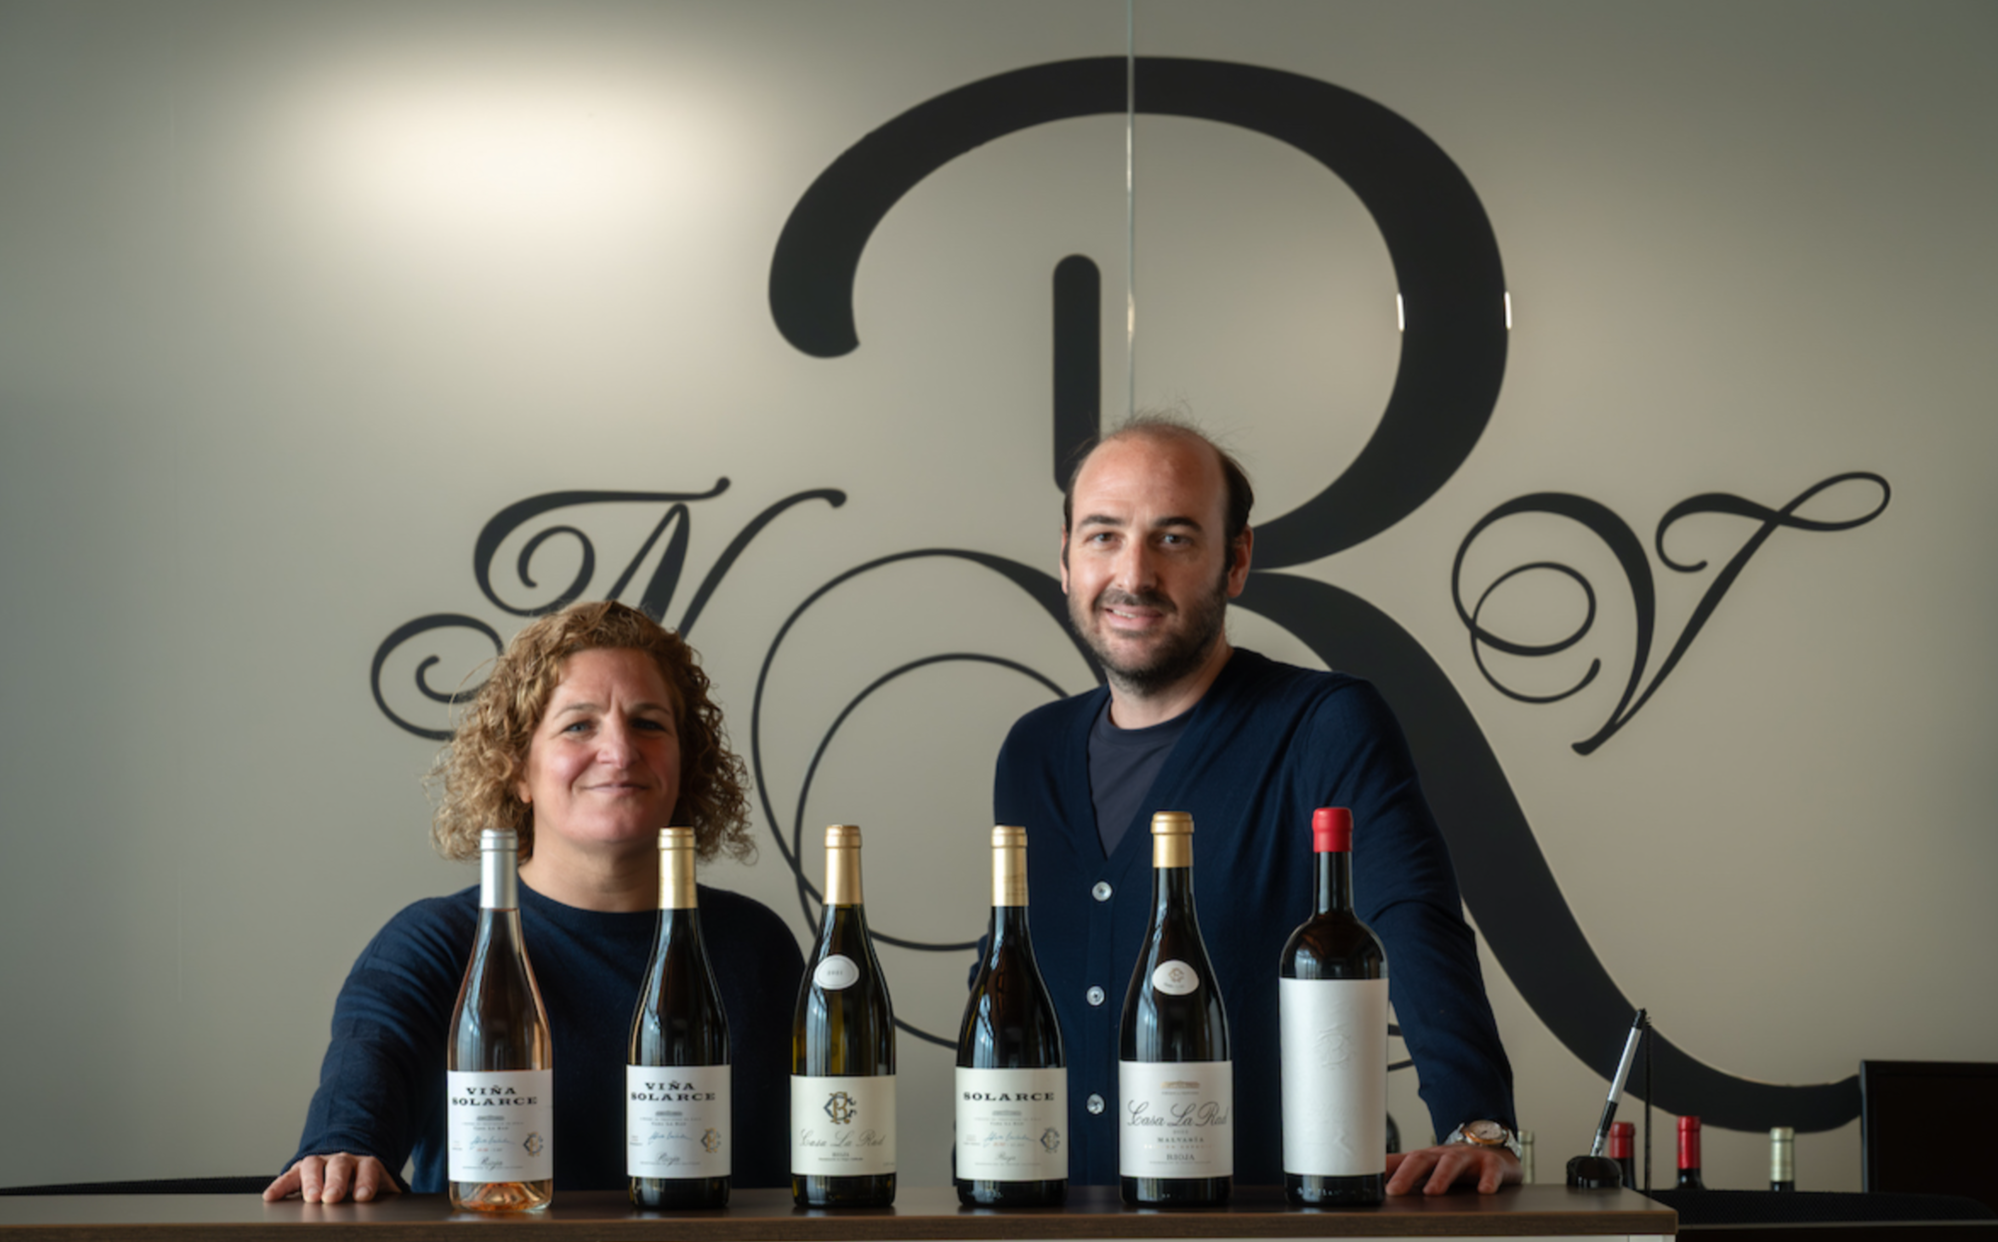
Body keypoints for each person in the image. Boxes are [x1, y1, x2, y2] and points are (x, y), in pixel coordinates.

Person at [992, 416, 1522, 1195]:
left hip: (1262, 1228)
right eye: (1103, 536)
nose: (1133, 573)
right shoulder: (1031, 753)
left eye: (1174, 538)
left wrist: (1478, 1124)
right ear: (1065, 559)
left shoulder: (1325, 724)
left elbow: (1412, 916)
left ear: (1236, 560)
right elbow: (1008, 982)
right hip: (1053, 1224)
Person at [265, 601, 803, 1204]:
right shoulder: (435, 944)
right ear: (517, 768)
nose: (620, 752)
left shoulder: (756, 946)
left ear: (686, 764)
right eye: (579, 725)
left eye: (649, 723)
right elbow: (363, 1094)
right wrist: (345, 1149)